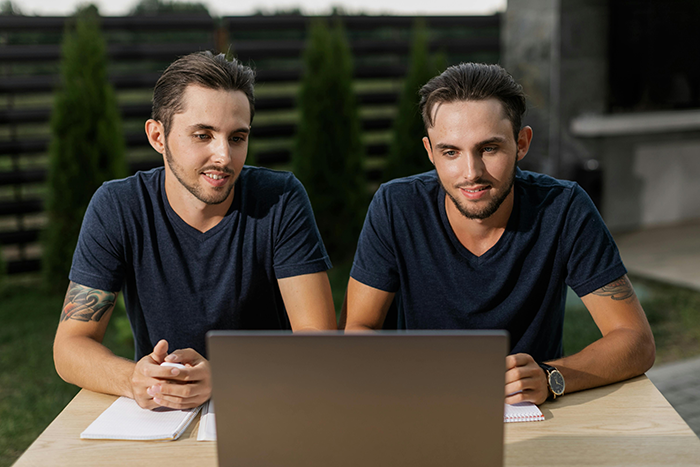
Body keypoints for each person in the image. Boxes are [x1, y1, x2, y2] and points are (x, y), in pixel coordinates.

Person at [342, 62, 655, 405]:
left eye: (489, 148)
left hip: (528, 416)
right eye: (451, 152)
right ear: (430, 152)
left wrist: (551, 377)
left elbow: (635, 340)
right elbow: (358, 328)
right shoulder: (396, 206)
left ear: (521, 144)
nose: (471, 172)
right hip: (422, 406)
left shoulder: (564, 209)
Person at [53, 51, 337, 410]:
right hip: (162, 416)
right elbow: (70, 345)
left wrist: (225, 377)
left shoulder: (279, 200)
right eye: (203, 135)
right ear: (158, 136)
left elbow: (321, 344)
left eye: (237, 138)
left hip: (269, 402)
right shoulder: (118, 206)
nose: (224, 156)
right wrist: (134, 380)